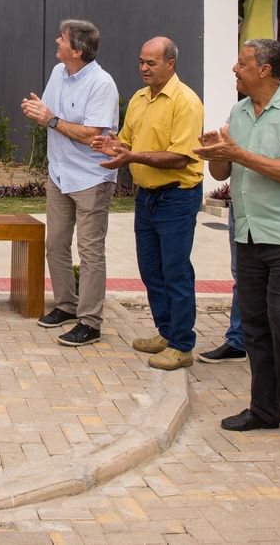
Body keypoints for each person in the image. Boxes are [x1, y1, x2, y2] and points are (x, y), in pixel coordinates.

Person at [195, 37, 280, 452]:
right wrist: (217, 152)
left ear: (265, 69)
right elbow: (223, 172)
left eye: (242, 63)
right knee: (254, 326)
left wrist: (238, 153)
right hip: (249, 233)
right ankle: (264, 409)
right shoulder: (238, 111)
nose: (235, 69)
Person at [92, 36, 204, 370]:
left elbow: (179, 157)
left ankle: (182, 345)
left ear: (170, 63)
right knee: (151, 270)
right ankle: (166, 333)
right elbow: (128, 142)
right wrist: (114, 146)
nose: (143, 68)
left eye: (151, 63)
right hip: (147, 197)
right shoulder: (140, 98)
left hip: (177, 196)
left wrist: (131, 156)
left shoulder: (186, 102)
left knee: (175, 271)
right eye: (141, 61)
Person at [20, 18, 119, 348]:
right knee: (56, 244)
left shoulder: (101, 84)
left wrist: (51, 119)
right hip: (59, 174)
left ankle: (90, 322)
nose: (56, 42)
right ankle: (66, 305)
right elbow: (49, 114)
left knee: (90, 252)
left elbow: (92, 134)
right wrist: (38, 111)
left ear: (77, 50)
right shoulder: (58, 73)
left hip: (91, 178)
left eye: (61, 39)